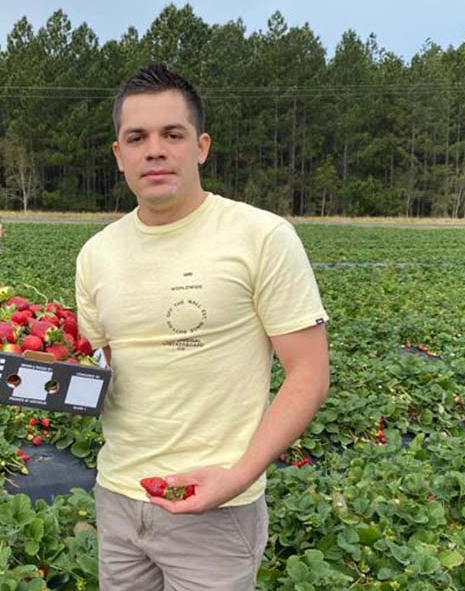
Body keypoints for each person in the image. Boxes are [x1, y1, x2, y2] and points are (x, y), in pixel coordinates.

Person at [73, 63, 330, 590]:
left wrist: (238, 477)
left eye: (173, 134)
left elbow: (309, 374)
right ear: (119, 155)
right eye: (137, 137)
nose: (155, 149)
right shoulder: (96, 254)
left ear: (201, 146)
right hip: (120, 496)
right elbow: (97, 371)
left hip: (215, 507)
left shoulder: (260, 237)